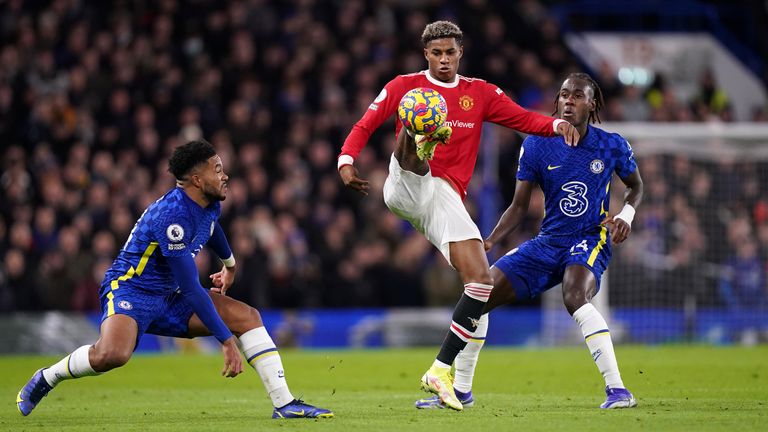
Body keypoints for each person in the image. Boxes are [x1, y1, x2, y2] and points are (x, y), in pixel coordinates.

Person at [337, 20, 580, 411]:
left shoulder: (479, 93)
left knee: (480, 283)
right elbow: (366, 123)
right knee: (418, 119)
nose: (444, 59)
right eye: (437, 53)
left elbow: (522, 118)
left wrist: (557, 124)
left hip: (445, 197)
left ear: (460, 52)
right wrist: (346, 160)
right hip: (406, 185)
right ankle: (420, 136)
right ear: (426, 55)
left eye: (450, 52)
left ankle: (446, 375)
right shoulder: (404, 86)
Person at [16, 140, 333, 419]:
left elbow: (212, 229)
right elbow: (193, 287)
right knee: (113, 355)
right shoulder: (173, 217)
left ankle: (285, 403)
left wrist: (230, 265)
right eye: (217, 169)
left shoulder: (207, 203)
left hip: (169, 297)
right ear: (197, 179)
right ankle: (47, 377)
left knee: (248, 317)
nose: (225, 175)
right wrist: (226, 342)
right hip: (132, 289)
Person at [415, 72, 643, 409]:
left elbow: (636, 186)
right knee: (480, 294)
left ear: (591, 104)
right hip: (548, 241)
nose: (569, 101)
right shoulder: (536, 144)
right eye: (564, 94)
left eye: (578, 96)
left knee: (574, 294)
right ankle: (462, 391)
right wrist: (491, 240)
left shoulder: (611, 144)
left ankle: (618, 390)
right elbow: (519, 206)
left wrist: (626, 215)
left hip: (589, 238)